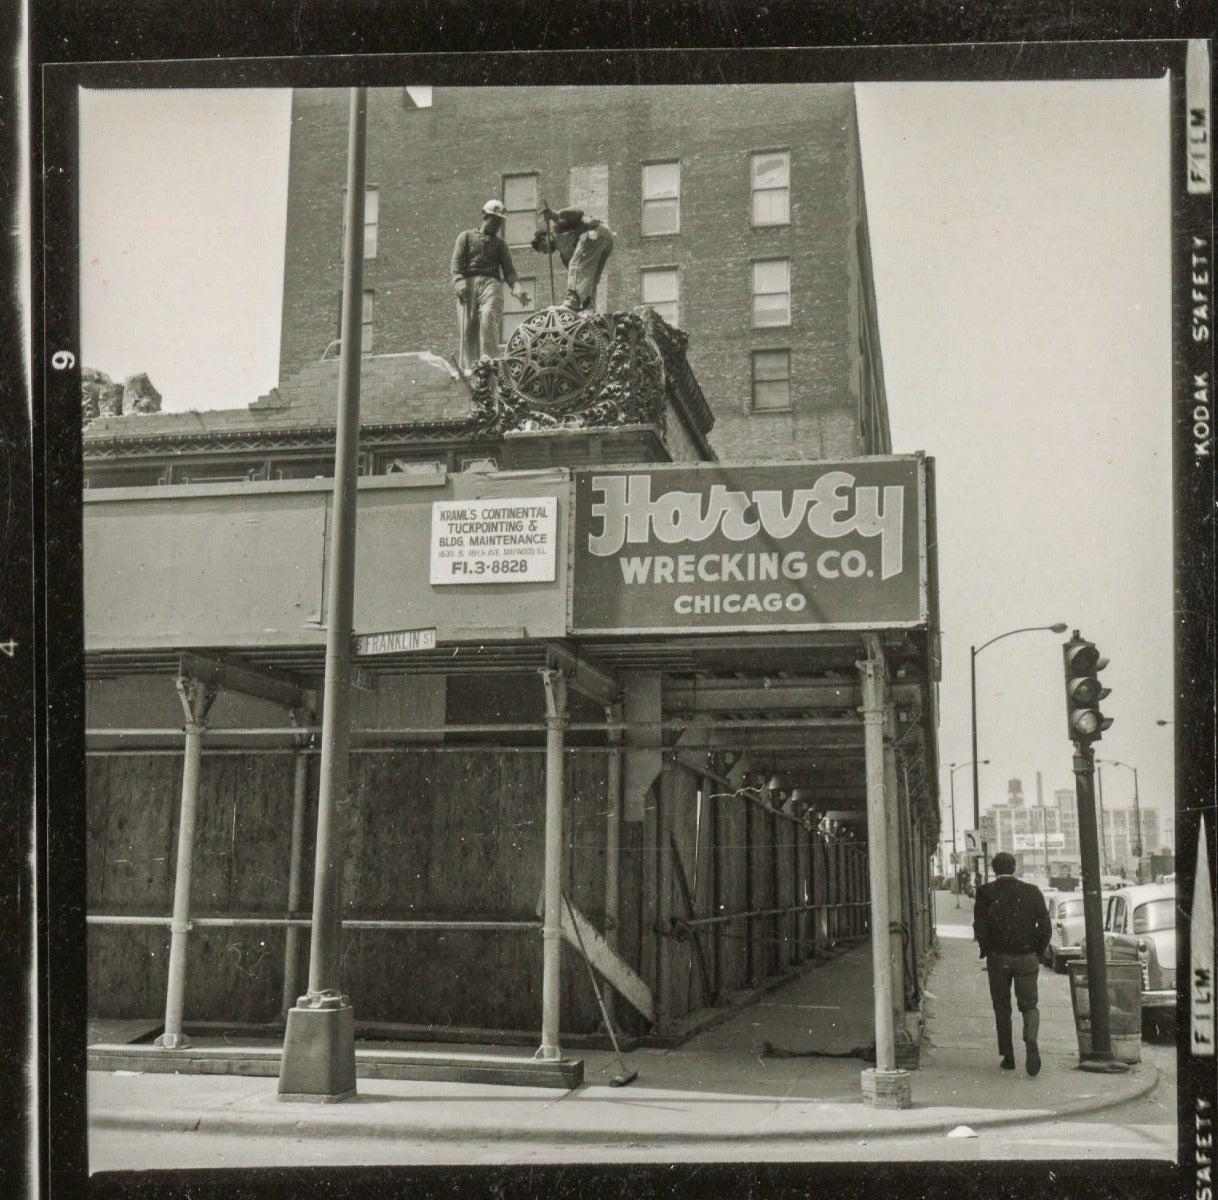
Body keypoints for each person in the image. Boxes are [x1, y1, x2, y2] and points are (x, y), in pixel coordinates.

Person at [973, 851, 1051, 1076]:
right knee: (1030, 1005)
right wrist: (1037, 950)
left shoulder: (985, 892)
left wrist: (986, 949)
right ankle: (1031, 1038)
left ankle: (1008, 1057)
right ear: (1015, 867)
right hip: (1027, 957)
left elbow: (980, 925)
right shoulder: (1032, 891)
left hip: (999, 958)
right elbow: (1045, 926)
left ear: (993, 869)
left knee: (1001, 1007)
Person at [451, 200, 530, 372]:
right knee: (467, 329)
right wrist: (459, 283)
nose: (497, 225)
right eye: (494, 220)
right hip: (468, 284)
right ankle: (469, 368)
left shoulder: (501, 245)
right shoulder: (466, 237)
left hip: (491, 284)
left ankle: (489, 359)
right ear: (485, 216)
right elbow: (456, 265)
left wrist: (517, 288)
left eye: (500, 222)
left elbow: (509, 271)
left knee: (488, 316)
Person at [531, 206, 614, 311]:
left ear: (545, 237)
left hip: (596, 231)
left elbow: (578, 213)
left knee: (576, 265)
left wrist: (554, 215)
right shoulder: (564, 256)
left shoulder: (557, 229)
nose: (546, 252)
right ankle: (588, 308)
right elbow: (581, 276)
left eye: (543, 248)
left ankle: (572, 301)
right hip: (604, 244)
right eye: (544, 252)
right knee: (590, 278)